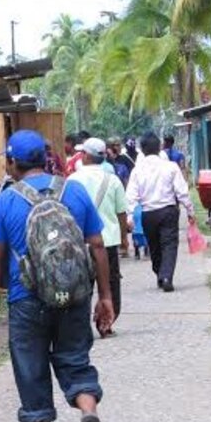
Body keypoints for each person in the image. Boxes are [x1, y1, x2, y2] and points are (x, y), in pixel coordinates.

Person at [0, 130, 114, 422]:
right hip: (75, 297)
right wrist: (106, 296)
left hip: (27, 300)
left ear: (12, 163)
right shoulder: (74, 190)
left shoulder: (6, 202)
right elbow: (97, 246)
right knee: (75, 359)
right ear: (45, 157)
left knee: (31, 369)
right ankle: (88, 411)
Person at [69, 138, 130, 330]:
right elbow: (121, 213)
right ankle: (107, 322)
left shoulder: (71, 180)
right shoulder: (112, 180)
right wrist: (123, 239)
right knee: (111, 282)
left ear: (85, 155)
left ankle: (80, 322)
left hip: (80, 242)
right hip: (108, 241)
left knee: (81, 284)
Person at [125, 132, 197, 292]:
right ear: (159, 148)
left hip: (148, 214)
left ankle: (161, 273)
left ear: (142, 150)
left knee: (154, 246)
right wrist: (190, 211)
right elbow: (182, 191)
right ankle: (165, 276)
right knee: (169, 245)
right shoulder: (171, 167)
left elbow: (131, 195)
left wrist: (130, 216)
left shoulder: (137, 171)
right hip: (168, 211)